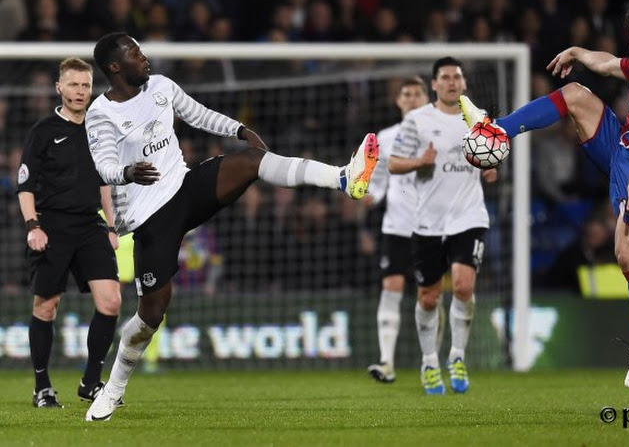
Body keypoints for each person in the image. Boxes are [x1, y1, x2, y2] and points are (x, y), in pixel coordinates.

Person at [84, 32, 378, 421]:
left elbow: (199, 114)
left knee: (250, 161)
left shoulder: (161, 86)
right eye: (135, 54)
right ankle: (114, 388)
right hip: (150, 216)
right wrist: (127, 171)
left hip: (185, 187)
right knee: (151, 313)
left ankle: (343, 177)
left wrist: (238, 129)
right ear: (115, 67)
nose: (145, 58)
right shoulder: (100, 113)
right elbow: (102, 164)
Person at [460, 1, 629, 387]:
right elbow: (607, 63)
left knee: (626, 253)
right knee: (574, 92)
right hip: (620, 148)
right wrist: (578, 54)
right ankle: (497, 130)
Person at [17, 57, 121, 408]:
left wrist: (111, 225)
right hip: (52, 225)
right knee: (46, 307)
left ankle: (91, 382)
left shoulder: (100, 129)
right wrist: (33, 226)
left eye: (86, 85)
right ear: (59, 88)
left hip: (90, 225)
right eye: (73, 85)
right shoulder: (43, 131)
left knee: (111, 302)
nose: (80, 91)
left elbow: (106, 182)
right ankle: (42, 387)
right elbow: (25, 184)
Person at [389, 57, 497, 395]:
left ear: (463, 84)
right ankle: (429, 362)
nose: (452, 82)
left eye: (457, 77)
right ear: (434, 85)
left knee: (464, 287)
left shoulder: (479, 119)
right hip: (428, 221)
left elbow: (492, 157)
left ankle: (458, 356)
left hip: (469, 216)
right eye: (445, 77)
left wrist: (490, 168)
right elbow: (393, 164)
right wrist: (420, 162)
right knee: (429, 297)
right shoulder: (417, 120)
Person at [366, 77, 429, 384]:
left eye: (418, 94)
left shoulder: (441, 133)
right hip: (397, 226)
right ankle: (386, 362)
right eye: (407, 94)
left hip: (433, 226)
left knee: (429, 295)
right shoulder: (385, 138)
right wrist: (370, 196)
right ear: (398, 101)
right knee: (391, 287)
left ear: (427, 99)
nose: (412, 98)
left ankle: (430, 362)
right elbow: (377, 181)